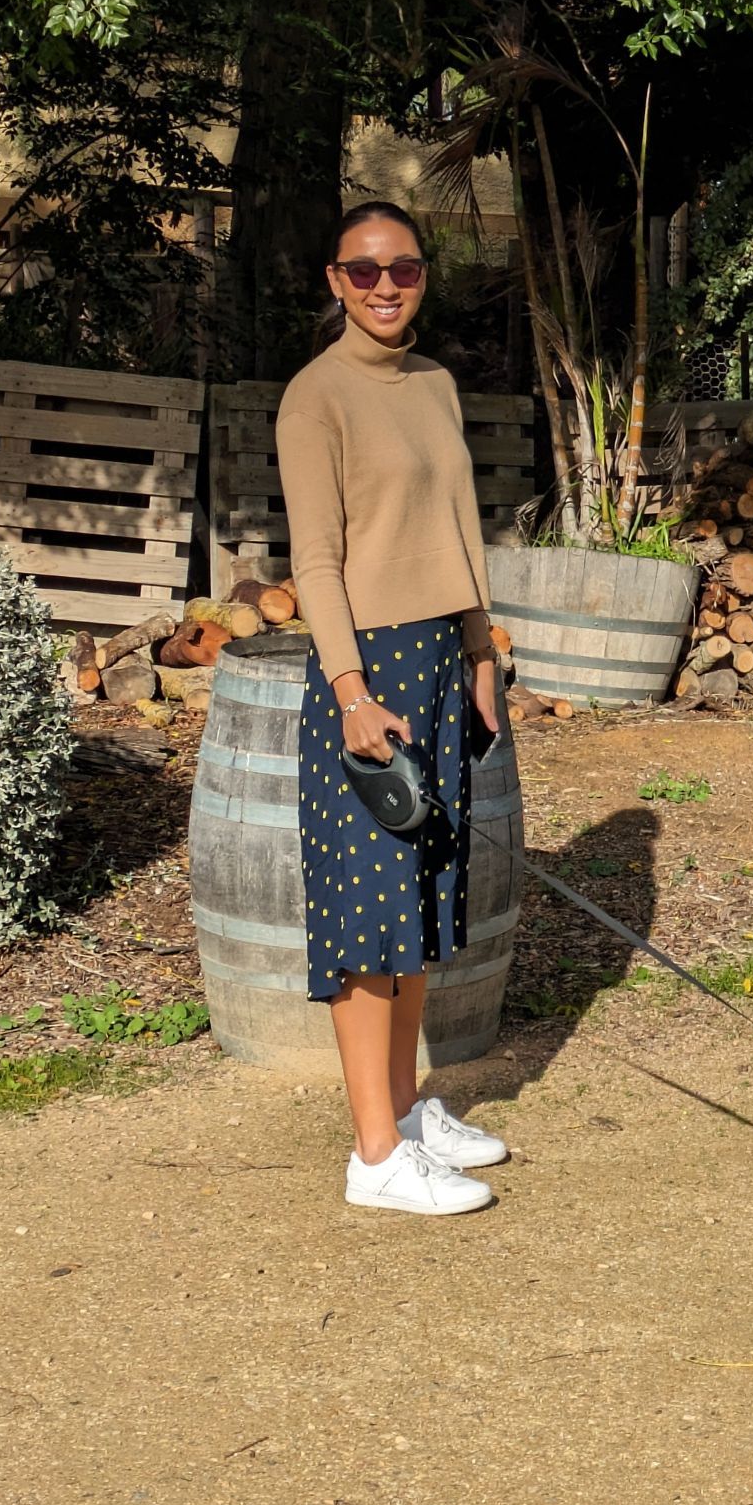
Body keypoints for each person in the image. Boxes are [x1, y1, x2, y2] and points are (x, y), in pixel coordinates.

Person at [275, 201, 510, 1215]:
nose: (383, 286)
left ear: (423, 277)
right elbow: (316, 561)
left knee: (417, 907)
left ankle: (408, 1114)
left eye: (402, 269)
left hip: (435, 659)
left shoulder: (435, 384)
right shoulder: (313, 398)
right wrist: (350, 692)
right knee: (367, 917)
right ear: (334, 280)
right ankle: (374, 1156)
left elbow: (457, 530)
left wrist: (479, 647)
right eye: (363, 271)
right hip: (362, 669)